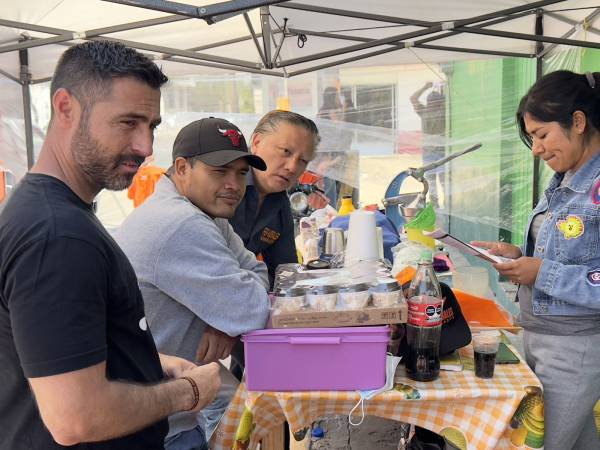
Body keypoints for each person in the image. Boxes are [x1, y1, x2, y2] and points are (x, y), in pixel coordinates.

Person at [0, 41, 220, 450]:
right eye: (128, 122)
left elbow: (46, 355)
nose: (146, 147)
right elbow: (75, 417)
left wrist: (144, 363)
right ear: (65, 108)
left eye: (151, 125)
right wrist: (188, 391)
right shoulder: (57, 235)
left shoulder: (52, 214)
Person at [115, 117, 271, 450]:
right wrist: (229, 316)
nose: (234, 184)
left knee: (250, 404)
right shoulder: (181, 223)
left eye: (241, 173)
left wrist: (224, 324)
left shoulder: (200, 213)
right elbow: (254, 309)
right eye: (220, 171)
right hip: (161, 422)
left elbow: (257, 273)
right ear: (183, 168)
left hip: (168, 400)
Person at [473, 70, 600, 450]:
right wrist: (520, 257)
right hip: (537, 335)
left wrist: (542, 273)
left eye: (542, 135)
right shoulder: (562, 181)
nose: (536, 150)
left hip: (574, 349)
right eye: (532, 139)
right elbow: (570, 253)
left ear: (577, 122)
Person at [229, 110, 320, 286]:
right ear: (256, 142)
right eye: (285, 151)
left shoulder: (280, 205)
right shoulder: (222, 188)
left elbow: (286, 275)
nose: (292, 167)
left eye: (302, 161)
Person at [410, 81, 447, 208]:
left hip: (436, 152)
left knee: (438, 181)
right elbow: (413, 98)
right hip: (434, 152)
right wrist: (425, 87)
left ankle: (440, 205)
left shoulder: (432, 111)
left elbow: (413, 98)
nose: (432, 105)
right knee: (435, 181)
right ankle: (439, 205)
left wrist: (425, 87)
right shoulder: (433, 111)